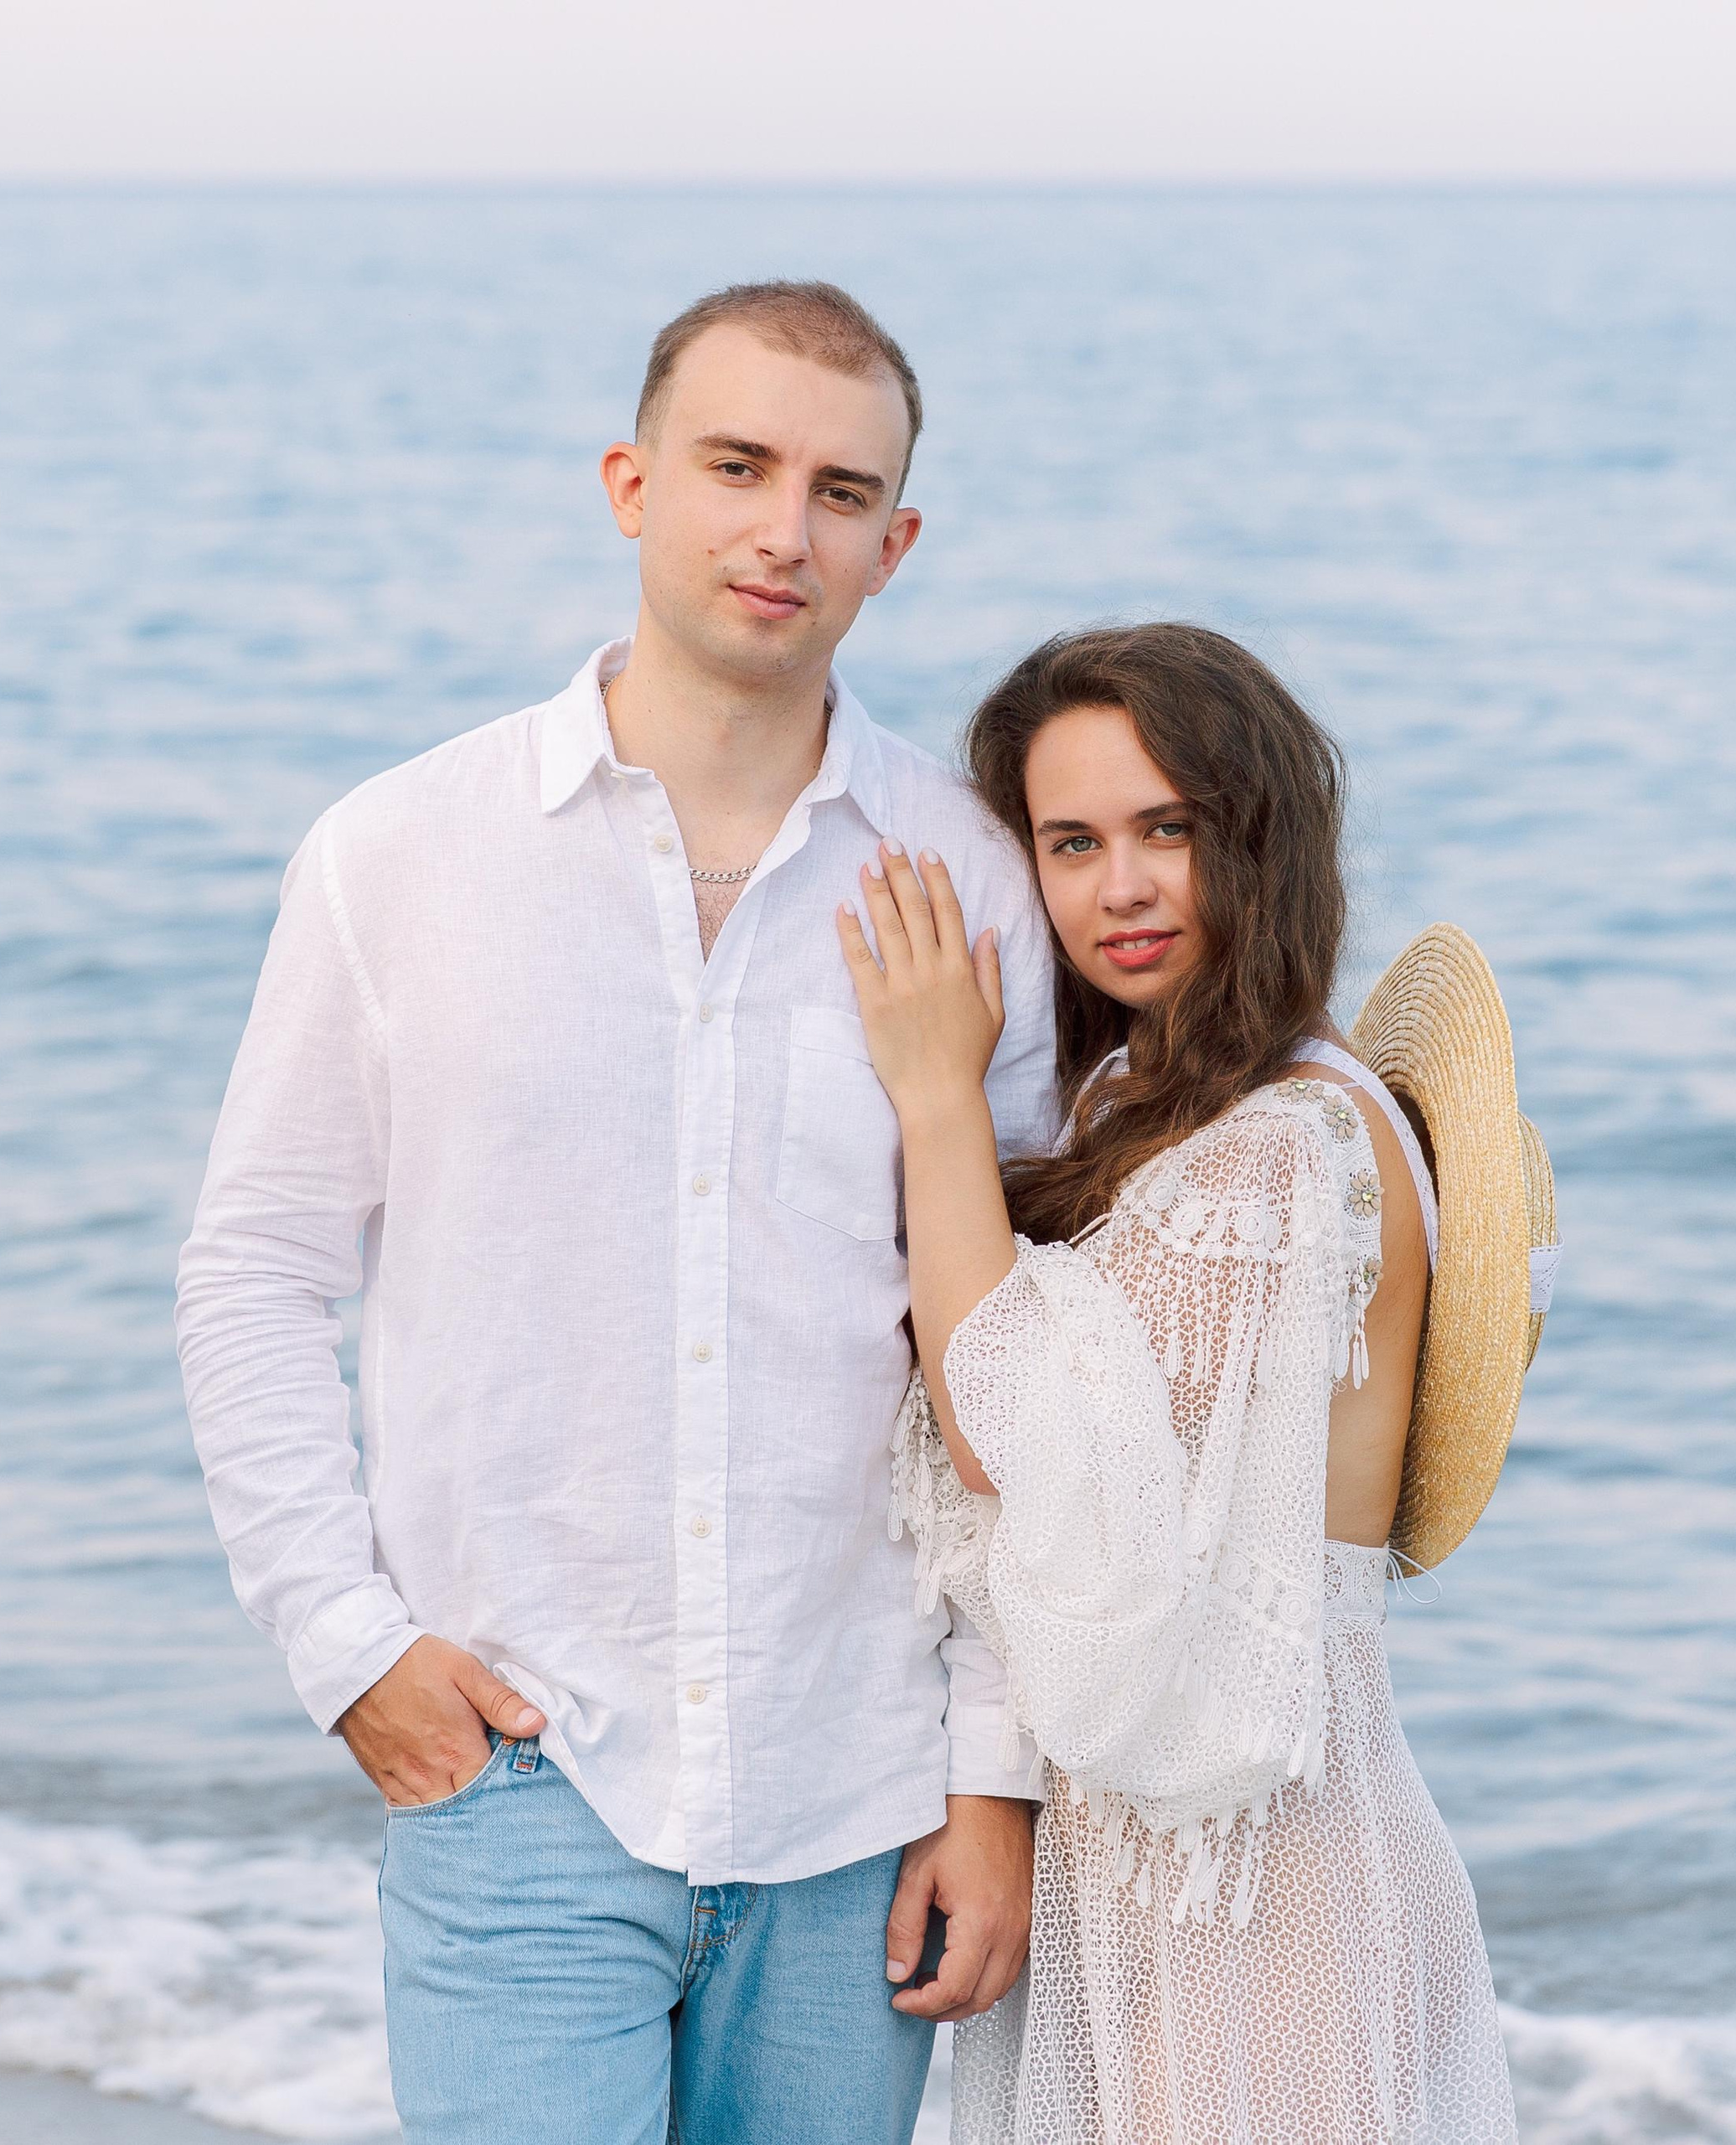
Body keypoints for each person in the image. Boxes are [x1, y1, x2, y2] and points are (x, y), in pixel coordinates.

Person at [173, 281, 1060, 2145]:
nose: (779, 529)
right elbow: (256, 1266)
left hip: (859, 1802)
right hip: (518, 1763)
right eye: (734, 466)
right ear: (629, 483)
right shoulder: (398, 852)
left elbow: (1015, 1363)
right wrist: (345, 1644)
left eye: (838, 491)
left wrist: (995, 1775)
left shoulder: (970, 875)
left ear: (893, 547)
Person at [836, 623, 1529, 2142]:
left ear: (1265, 842)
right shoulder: (1151, 1097)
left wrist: (937, 1086)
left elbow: (1001, 1428)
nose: (1121, 889)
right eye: (1071, 843)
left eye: (1171, 830)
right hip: (1168, 1852)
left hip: (1259, 1867)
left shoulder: (1284, 1152)